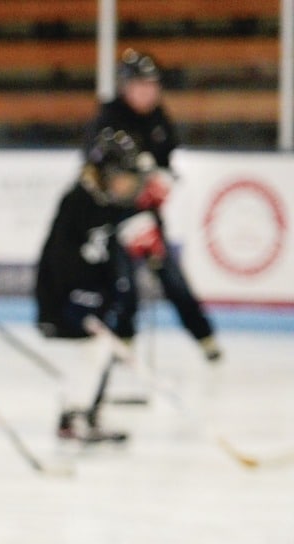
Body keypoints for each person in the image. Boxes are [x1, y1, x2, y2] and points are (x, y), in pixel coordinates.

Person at [86, 49, 221, 363]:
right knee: (123, 282)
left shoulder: (159, 117)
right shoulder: (108, 118)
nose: (148, 93)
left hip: (147, 213)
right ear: (126, 86)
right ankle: (124, 341)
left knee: (170, 276)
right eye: (141, 85)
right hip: (115, 217)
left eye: (153, 86)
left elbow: (168, 159)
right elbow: (93, 172)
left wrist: (161, 181)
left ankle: (205, 337)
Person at [35, 128, 155, 445]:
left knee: (100, 352)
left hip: (89, 296)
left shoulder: (109, 202)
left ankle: (85, 414)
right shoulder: (77, 200)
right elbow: (59, 258)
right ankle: (74, 416)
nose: (129, 185)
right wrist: (76, 297)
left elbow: (110, 255)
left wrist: (111, 292)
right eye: (124, 177)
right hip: (64, 297)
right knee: (92, 351)